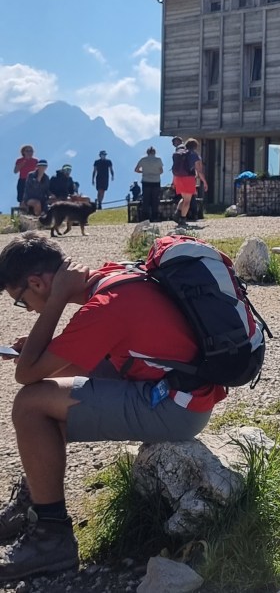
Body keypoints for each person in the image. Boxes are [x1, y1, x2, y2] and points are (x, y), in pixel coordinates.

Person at [0, 232, 226, 580]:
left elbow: (27, 375)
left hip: (177, 409)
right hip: (181, 388)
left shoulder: (103, 306)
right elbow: (75, 357)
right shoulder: (113, 277)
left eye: (21, 300)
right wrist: (42, 345)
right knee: (48, 400)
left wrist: (56, 302)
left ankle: (52, 540)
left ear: (37, 282)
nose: (27, 308)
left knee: (30, 406)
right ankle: (35, 502)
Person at [172, 138, 205, 226]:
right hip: (188, 178)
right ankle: (182, 219)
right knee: (187, 201)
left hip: (178, 178)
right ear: (195, 147)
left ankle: (177, 213)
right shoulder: (194, 155)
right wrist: (204, 182)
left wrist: (173, 182)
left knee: (184, 198)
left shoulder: (180, 153)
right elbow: (199, 170)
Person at [133, 146, 164, 221]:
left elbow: (136, 169)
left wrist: (143, 172)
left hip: (146, 181)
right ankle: (155, 216)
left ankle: (145, 216)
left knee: (146, 199)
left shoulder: (143, 160)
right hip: (156, 181)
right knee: (155, 199)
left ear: (147, 152)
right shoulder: (158, 160)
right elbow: (161, 171)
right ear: (154, 152)